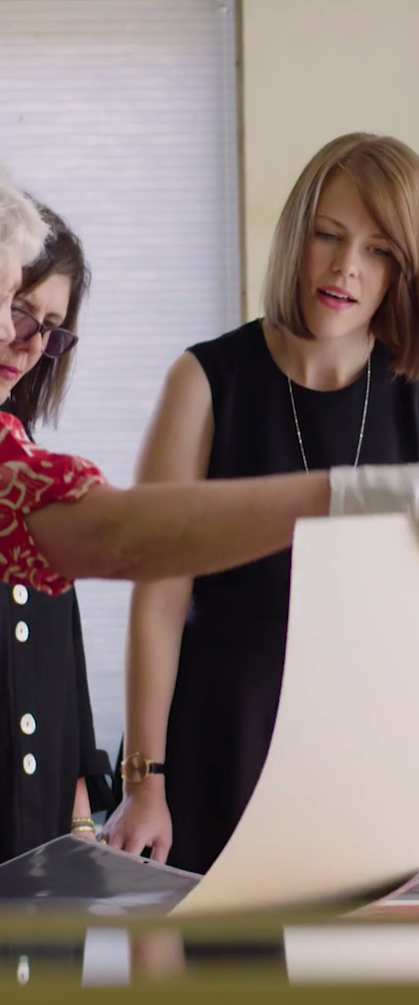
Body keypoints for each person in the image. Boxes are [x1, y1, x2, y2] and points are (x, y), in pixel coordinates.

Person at [102, 132, 419, 884]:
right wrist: (144, 784)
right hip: (223, 747)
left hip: (385, 765)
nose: (347, 266)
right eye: (330, 234)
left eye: (379, 250)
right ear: (298, 233)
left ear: (405, 271)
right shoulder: (204, 382)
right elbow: (157, 601)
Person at [0, 165, 419, 594]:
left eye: (379, 249)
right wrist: (342, 493)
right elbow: (119, 540)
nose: (15, 334)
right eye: (11, 304)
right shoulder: (208, 377)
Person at [0, 202, 115, 865]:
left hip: (40, 840)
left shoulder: (29, 462)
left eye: (50, 329)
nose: (27, 343)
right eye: (20, 309)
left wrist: (81, 821)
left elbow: (61, 658)